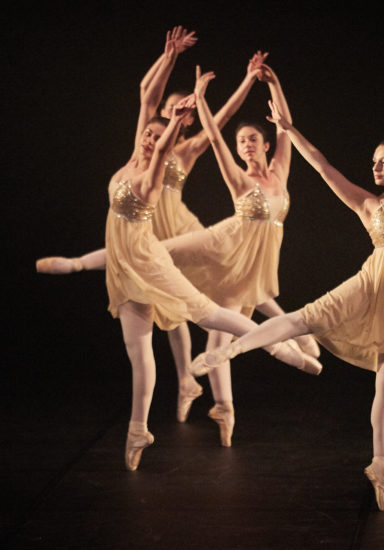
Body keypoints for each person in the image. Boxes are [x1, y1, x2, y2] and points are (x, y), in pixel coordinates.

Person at [191, 62, 384, 510]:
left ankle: (381, 469)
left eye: (383, 161)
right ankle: (229, 351)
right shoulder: (368, 205)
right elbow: (324, 167)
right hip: (370, 286)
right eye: (373, 162)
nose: (375, 167)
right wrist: (290, 129)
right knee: (302, 319)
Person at [35, 28, 319, 427]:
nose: (170, 112)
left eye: (178, 110)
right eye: (168, 109)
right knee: (175, 301)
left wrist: (242, 83)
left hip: (176, 227)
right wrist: (169, 57)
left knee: (224, 285)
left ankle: (282, 338)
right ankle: (188, 378)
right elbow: (146, 95)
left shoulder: (185, 149)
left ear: (185, 118)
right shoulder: (145, 147)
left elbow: (222, 122)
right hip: (145, 230)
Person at [160, 62, 317, 447]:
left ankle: (224, 409)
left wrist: (274, 82)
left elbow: (285, 127)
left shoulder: (280, 170)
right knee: (157, 253)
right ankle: (289, 339)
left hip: (254, 263)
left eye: (251, 139)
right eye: (241, 141)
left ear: (265, 145)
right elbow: (215, 139)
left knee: (218, 342)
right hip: (228, 251)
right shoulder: (239, 178)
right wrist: (202, 99)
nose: (245, 144)